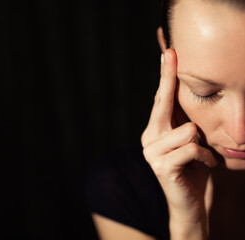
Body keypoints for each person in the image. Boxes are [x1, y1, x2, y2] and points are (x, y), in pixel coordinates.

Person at [86, 0, 245, 239]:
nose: (239, 133)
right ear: (164, 48)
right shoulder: (122, 190)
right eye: (205, 92)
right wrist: (188, 223)